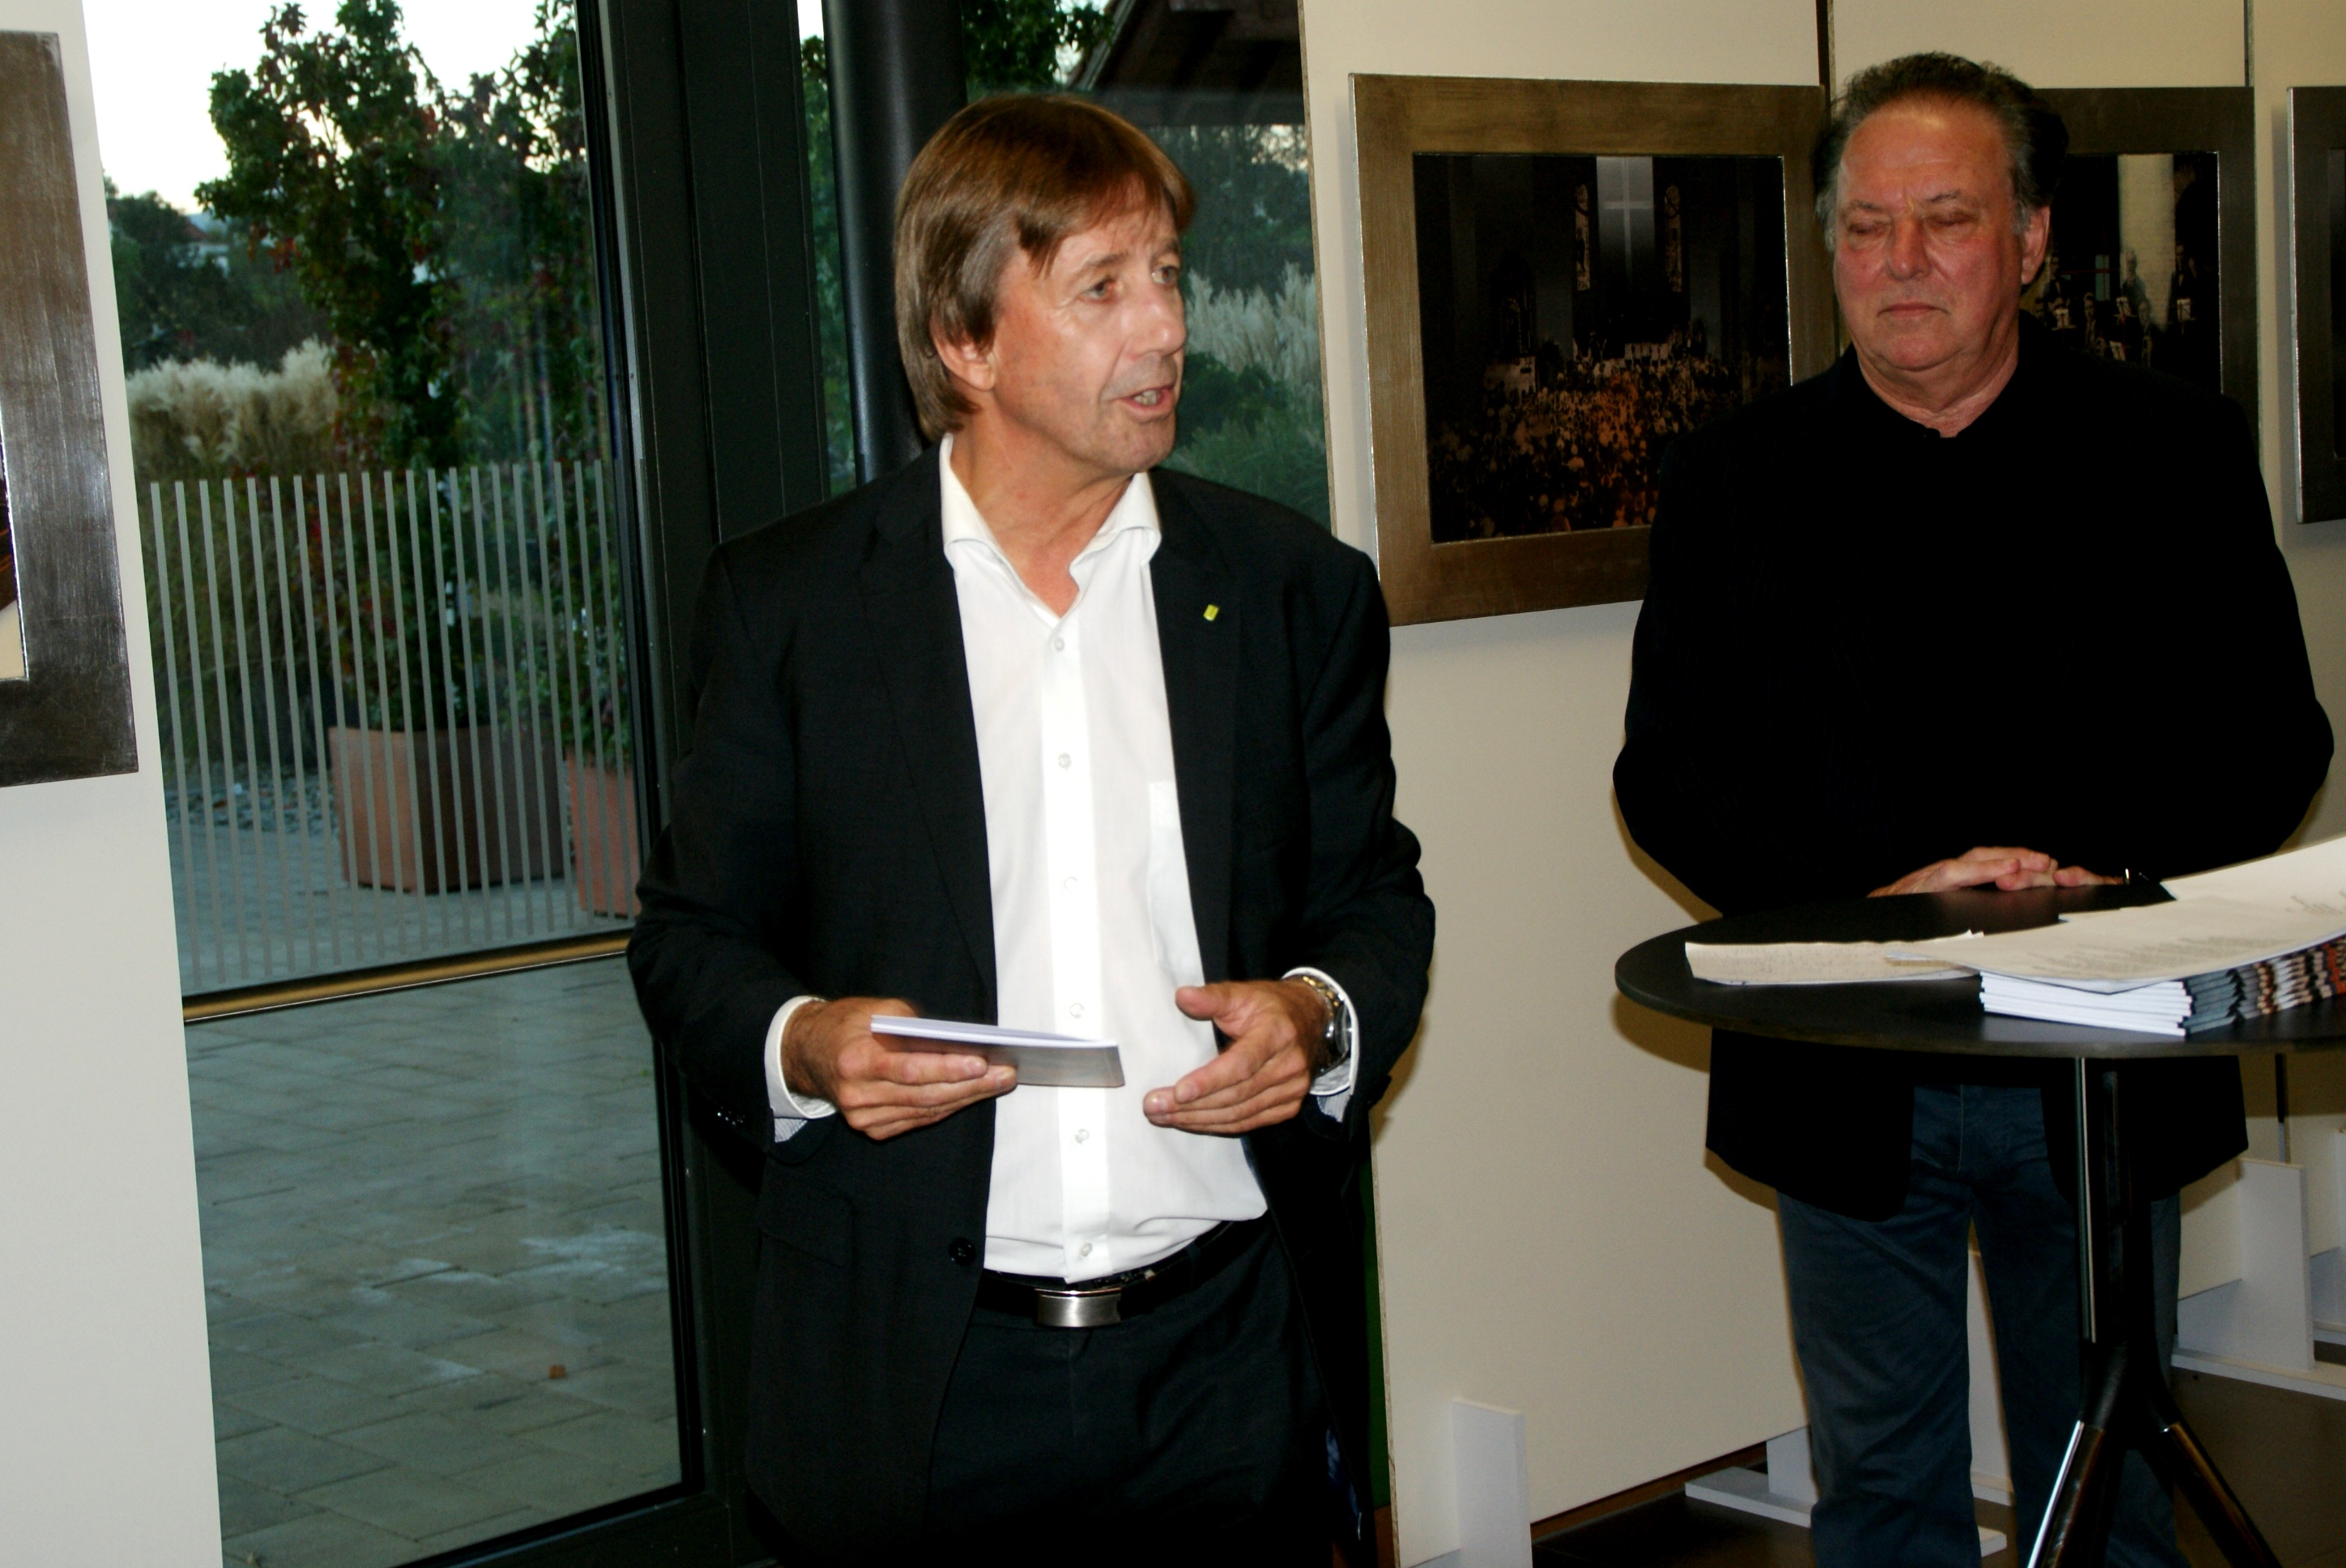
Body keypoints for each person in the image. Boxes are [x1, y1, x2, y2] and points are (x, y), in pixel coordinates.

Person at [629, 94, 1433, 1564]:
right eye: (1103, 288)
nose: (1167, 329)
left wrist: (1315, 1018)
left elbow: (1376, 899)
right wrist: (805, 1044)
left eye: (1169, 276)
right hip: (922, 1382)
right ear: (966, 341)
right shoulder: (794, 609)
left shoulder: (1290, 592)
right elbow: (692, 941)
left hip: (1227, 1365)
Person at [1614, 53, 2330, 1568]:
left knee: (2109, 1484)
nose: (1904, 262)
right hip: (1847, 1054)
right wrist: (1875, 889)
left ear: (2033, 238)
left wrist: (2104, 877)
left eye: (1946, 219)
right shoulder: (1734, 479)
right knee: (1880, 1490)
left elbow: (2275, 740)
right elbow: (1667, 773)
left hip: (2102, 1049)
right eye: (1869, 226)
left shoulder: (2172, 451)